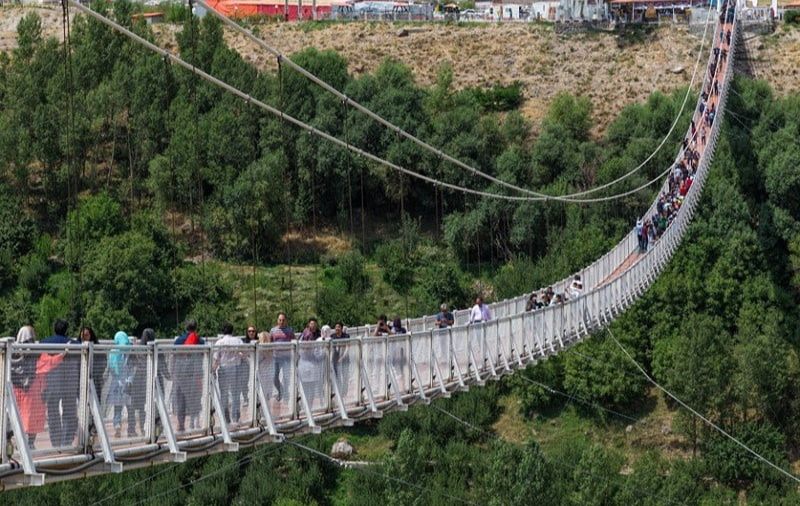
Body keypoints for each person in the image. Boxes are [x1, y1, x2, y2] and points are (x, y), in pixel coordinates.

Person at [10, 326, 65, 449]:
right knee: (32, 417)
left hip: (17, 390)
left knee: (21, 417)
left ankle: (21, 442)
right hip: (34, 390)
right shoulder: (36, 353)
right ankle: (29, 443)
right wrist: (62, 355)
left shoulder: (12, 352)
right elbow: (48, 362)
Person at [41, 319, 80, 448]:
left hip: (51, 382)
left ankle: (55, 441)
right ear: (66, 330)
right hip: (69, 382)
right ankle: (66, 441)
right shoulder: (74, 344)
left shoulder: (44, 343)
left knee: (52, 412)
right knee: (69, 411)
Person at [173, 320, 205, 432]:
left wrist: (173, 372)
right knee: (195, 398)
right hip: (195, 375)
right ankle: (193, 422)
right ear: (196, 327)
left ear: (185, 327)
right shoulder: (200, 341)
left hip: (180, 375)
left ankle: (181, 425)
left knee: (180, 399)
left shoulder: (178, 341)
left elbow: (174, 356)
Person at [213, 322, 244, 425]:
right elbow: (244, 354)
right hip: (236, 368)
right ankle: (235, 417)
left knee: (224, 394)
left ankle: (225, 418)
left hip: (224, 369)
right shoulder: (238, 341)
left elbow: (216, 359)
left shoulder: (219, 343)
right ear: (232, 331)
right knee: (235, 394)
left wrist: (213, 370)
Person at [107, 331, 135, 438]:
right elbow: (133, 367)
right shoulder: (130, 350)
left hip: (117, 383)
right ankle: (131, 429)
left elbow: (111, 368)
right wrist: (129, 379)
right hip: (127, 383)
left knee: (118, 407)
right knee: (130, 408)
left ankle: (117, 425)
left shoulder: (113, 351)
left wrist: (120, 379)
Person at [269, 312, 295, 402]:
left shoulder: (289, 330)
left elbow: (294, 341)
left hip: (287, 358)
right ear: (277, 320)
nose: (281, 322)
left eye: (283, 320)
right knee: (274, 376)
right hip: (276, 357)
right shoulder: (273, 330)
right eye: (280, 320)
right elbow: (270, 342)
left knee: (286, 377)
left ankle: (286, 394)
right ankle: (281, 391)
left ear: (286, 321)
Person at [81, 326, 105, 401]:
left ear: (91, 335)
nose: (85, 337)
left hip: (94, 379)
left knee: (96, 400)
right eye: (83, 335)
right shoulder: (79, 346)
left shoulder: (97, 347)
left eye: (87, 335)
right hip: (82, 380)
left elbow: (103, 362)